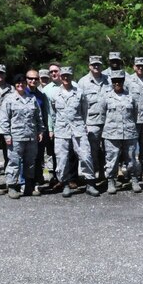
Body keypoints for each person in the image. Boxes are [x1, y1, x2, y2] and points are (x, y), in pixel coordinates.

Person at [49, 67, 100, 197]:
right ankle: (65, 184)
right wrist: (53, 128)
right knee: (62, 158)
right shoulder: (55, 94)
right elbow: (53, 113)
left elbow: (84, 111)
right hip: (61, 130)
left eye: (68, 76)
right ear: (60, 77)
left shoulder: (79, 93)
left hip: (78, 128)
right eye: (64, 76)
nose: (66, 78)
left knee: (85, 155)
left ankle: (90, 183)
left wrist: (83, 124)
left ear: (72, 76)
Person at [0, 74, 45, 198]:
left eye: (23, 83)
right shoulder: (9, 99)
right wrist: (7, 135)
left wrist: (40, 131)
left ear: (26, 84)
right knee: (14, 162)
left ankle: (28, 186)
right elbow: (4, 119)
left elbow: (38, 117)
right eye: (18, 83)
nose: (20, 85)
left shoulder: (32, 99)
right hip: (16, 137)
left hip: (31, 136)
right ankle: (12, 186)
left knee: (30, 162)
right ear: (15, 85)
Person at [99, 70, 140, 194]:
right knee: (112, 159)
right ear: (111, 82)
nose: (117, 83)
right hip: (111, 134)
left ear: (123, 82)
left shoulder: (131, 97)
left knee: (131, 158)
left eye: (120, 81)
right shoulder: (106, 97)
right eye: (114, 81)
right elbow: (102, 116)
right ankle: (111, 180)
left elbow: (135, 113)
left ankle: (134, 179)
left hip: (129, 132)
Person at [78, 55, 110, 180]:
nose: (96, 66)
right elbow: (79, 105)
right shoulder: (83, 82)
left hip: (109, 121)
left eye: (98, 64)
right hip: (91, 122)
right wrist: (83, 123)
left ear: (101, 65)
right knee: (93, 151)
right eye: (93, 64)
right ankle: (95, 173)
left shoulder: (109, 80)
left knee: (109, 150)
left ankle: (106, 174)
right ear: (89, 66)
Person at [26, 69, 48, 187]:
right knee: (26, 158)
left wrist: (42, 131)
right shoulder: (21, 92)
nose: (33, 81)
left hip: (38, 131)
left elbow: (43, 115)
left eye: (35, 78)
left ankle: (37, 179)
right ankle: (25, 182)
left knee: (38, 157)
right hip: (24, 131)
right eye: (30, 78)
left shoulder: (41, 95)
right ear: (26, 79)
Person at [0, 64, 12, 174]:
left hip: (8, 127)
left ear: (5, 74)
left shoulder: (12, 89)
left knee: (9, 154)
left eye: (1, 73)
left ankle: (11, 181)